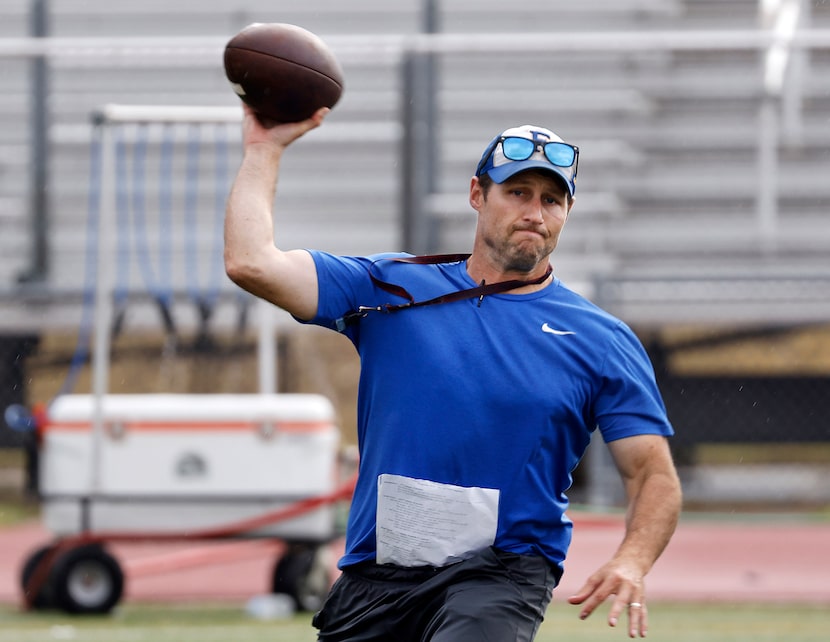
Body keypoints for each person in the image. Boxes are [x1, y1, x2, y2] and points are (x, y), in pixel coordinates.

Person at [224, 104, 682, 641]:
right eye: (517, 193)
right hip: (379, 570)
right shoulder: (391, 288)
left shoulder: (601, 339)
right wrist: (264, 150)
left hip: (501, 572)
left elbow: (653, 475)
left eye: (551, 200)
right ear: (476, 195)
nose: (535, 211)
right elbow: (251, 263)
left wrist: (632, 560)